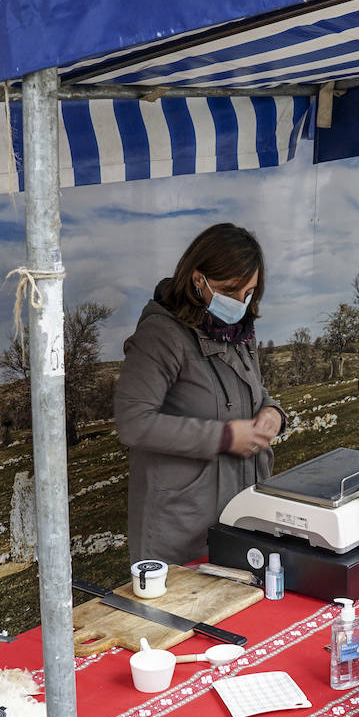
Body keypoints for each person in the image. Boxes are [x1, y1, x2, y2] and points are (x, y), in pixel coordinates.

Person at [114, 223, 284, 566]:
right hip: (180, 525)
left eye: (248, 292)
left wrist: (273, 414)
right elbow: (132, 422)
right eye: (230, 290)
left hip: (243, 511)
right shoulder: (161, 336)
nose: (240, 302)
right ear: (197, 279)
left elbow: (256, 392)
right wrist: (223, 436)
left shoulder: (240, 330)